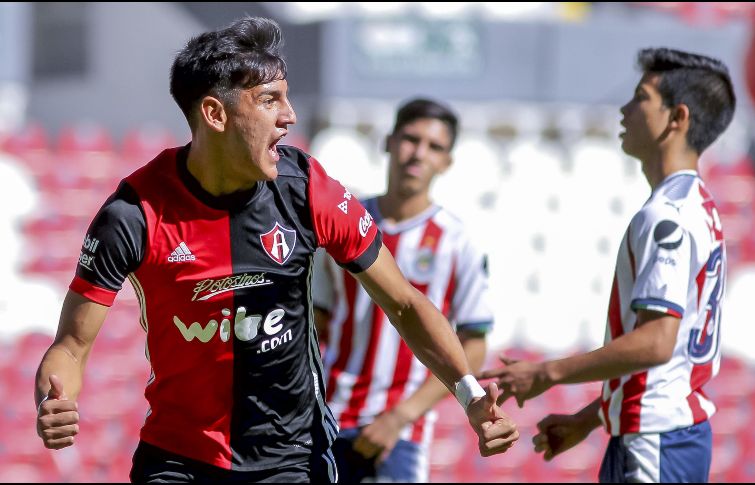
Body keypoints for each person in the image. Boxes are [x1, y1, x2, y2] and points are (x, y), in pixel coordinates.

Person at [33, 17, 518, 483]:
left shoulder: (308, 188)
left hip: (291, 458)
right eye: (270, 100)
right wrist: (54, 401)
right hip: (177, 459)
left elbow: (405, 303)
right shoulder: (134, 213)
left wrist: (471, 394)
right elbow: (70, 348)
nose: (289, 115)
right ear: (215, 113)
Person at [478, 47, 734, 483]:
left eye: (640, 98)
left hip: (656, 443)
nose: (625, 109)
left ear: (677, 118)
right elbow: (666, 366)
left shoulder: (667, 216)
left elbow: (657, 342)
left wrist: (546, 372)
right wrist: (591, 417)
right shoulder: (699, 207)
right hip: (666, 435)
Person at [312, 98, 493, 482]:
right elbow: (315, 321)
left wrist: (399, 417)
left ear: (447, 162)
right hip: (326, 417)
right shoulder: (343, 222)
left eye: (435, 147)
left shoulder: (457, 242)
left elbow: (473, 345)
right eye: (411, 139)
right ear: (389, 142)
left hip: (402, 432)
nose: (419, 153)